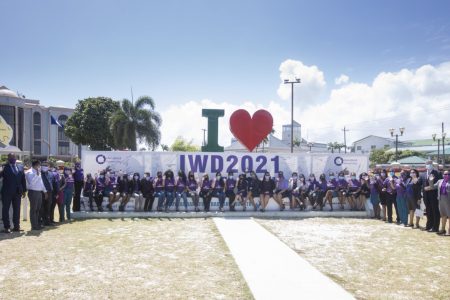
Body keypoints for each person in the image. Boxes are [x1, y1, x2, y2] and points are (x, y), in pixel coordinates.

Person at [0, 153, 27, 233]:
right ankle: (7, 227)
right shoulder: (4, 167)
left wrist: (24, 190)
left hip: (18, 192)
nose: (13, 158)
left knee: (17, 209)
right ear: (8, 158)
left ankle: (16, 226)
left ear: (16, 157)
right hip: (6, 192)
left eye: (14, 157)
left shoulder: (20, 167)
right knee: (5, 209)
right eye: (11, 157)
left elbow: (23, 179)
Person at [25, 160, 47, 230]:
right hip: (33, 192)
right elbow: (31, 183)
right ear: (35, 165)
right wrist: (36, 175)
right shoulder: (29, 172)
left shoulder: (38, 172)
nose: (39, 167)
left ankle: (37, 224)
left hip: (39, 192)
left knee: (38, 209)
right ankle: (34, 226)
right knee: (33, 210)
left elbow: (41, 183)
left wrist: (45, 191)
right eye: (39, 165)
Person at [423, 161, 441, 232]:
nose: (428, 165)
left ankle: (435, 227)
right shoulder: (423, 174)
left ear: (432, 165)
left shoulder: (437, 173)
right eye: (427, 164)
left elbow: (439, 184)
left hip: (434, 195)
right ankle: (429, 225)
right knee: (428, 211)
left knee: (435, 211)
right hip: (426, 196)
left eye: (429, 164)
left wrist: (431, 187)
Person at [433, 170, 450, 235]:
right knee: (443, 215)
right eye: (445, 174)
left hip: (448, 200)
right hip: (441, 200)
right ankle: (443, 229)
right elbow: (433, 186)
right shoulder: (440, 181)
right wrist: (431, 181)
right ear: (443, 175)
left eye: (448, 174)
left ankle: (449, 230)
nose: (446, 175)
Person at [40, 161, 54, 226]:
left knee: (48, 207)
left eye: (46, 165)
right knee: (42, 207)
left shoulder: (51, 173)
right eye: (43, 165)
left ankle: (47, 221)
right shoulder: (39, 173)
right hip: (42, 192)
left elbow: (53, 183)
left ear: (48, 166)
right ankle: (42, 221)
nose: (45, 166)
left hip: (50, 192)